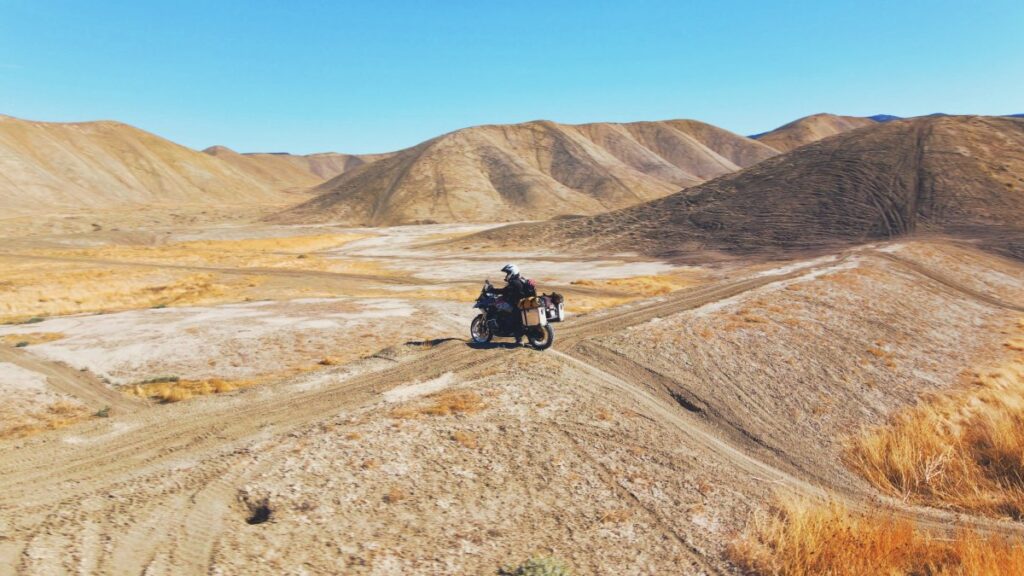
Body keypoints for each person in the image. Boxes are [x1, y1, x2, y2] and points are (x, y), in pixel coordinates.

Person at [493, 264, 528, 344]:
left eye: (508, 273)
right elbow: (507, 292)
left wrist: (492, 290)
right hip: (521, 303)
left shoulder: (514, 282)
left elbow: (504, 291)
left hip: (516, 304)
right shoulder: (520, 280)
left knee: (512, 317)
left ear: (512, 272)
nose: (507, 275)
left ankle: (518, 339)